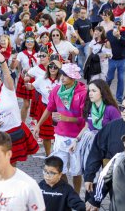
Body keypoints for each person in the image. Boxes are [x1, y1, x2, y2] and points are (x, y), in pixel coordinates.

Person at [34, 63, 87, 194]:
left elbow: (84, 119)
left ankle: (76, 195)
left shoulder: (83, 93)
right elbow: (49, 109)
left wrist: (66, 118)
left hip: (77, 137)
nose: (62, 78)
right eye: (61, 74)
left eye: (66, 75)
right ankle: (67, 193)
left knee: (76, 171)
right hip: (60, 135)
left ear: (74, 77)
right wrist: (38, 125)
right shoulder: (56, 90)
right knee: (60, 168)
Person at [0, 51, 39, 164]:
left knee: (11, 164)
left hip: (15, 132)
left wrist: (3, 62)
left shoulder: (7, 89)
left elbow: (7, 74)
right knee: (1, 164)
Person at [29, 57, 62, 156]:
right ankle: (48, 155)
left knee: (58, 134)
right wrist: (26, 83)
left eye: (55, 67)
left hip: (58, 110)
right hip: (45, 108)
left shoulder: (63, 80)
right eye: (50, 66)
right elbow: (32, 86)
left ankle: (58, 154)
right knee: (46, 135)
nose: (52, 68)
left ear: (59, 69)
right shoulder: (41, 79)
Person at [13, 32, 40, 121]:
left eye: (31, 41)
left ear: (34, 42)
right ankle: (22, 123)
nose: (29, 43)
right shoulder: (21, 54)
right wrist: (13, 62)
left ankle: (33, 122)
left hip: (36, 79)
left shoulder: (38, 54)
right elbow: (13, 67)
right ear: (24, 43)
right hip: (25, 79)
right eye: (27, 41)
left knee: (36, 102)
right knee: (26, 104)